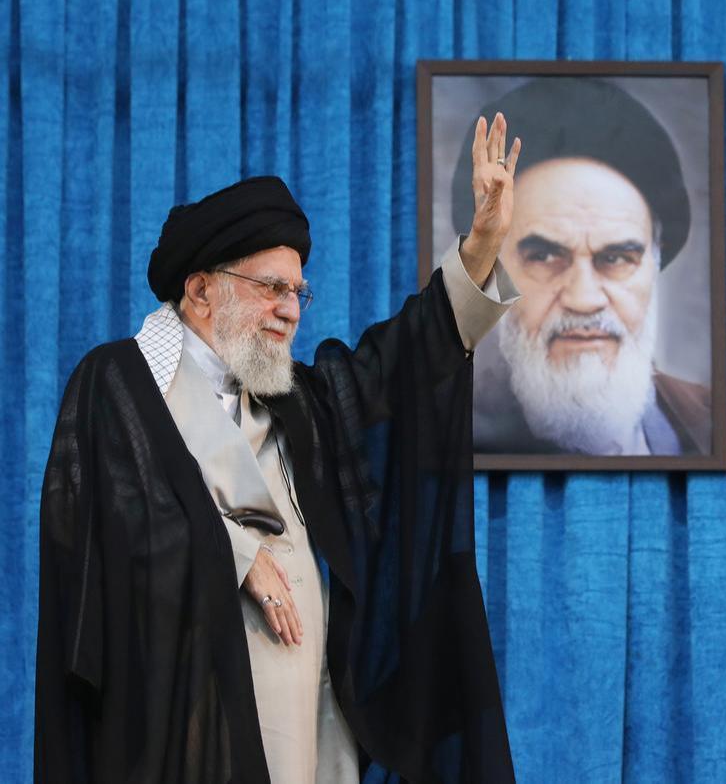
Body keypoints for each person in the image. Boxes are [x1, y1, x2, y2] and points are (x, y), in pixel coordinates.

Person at [35, 115, 523, 782]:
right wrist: (236, 554)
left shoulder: (298, 402)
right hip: (190, 736)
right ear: (201, 289)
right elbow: (113, 532)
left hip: (317, 728)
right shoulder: (121, 381)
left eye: (298, 291)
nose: (292, 309)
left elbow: (400, 367)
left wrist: (481, 247)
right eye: (270, 287)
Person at [450, 78, 712, 456]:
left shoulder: (713, 423)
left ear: (654, 263)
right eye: (544, 256)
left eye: (617, 258)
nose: (584, 299)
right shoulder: (446, 437)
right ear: (493, 274)